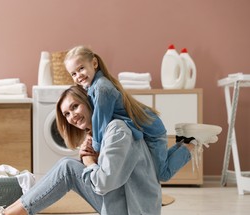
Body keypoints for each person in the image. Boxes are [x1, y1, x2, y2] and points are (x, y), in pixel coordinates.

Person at [0, 85, 162, 215]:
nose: (72, 116)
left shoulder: (117, 129)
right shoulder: (105, 132)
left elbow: (104, 183)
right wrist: (92, 157)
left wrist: (88, 161)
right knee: (69, 165)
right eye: (67, 114)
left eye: (75, 106)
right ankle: (6, 214)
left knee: (67, 167)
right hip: (131, 210)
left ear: (89, 102)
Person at [64, 45, 222, 182]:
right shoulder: (94, 86)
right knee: (160, 165)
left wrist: (96, 150)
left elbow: (101, 122)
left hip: (150, 130)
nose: (78, 75)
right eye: (74, 74)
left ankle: (191, 142)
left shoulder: (102, 88)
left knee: (162, 173)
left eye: (81, 68)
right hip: (147, 127)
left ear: (94, 63)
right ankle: (187, 139)